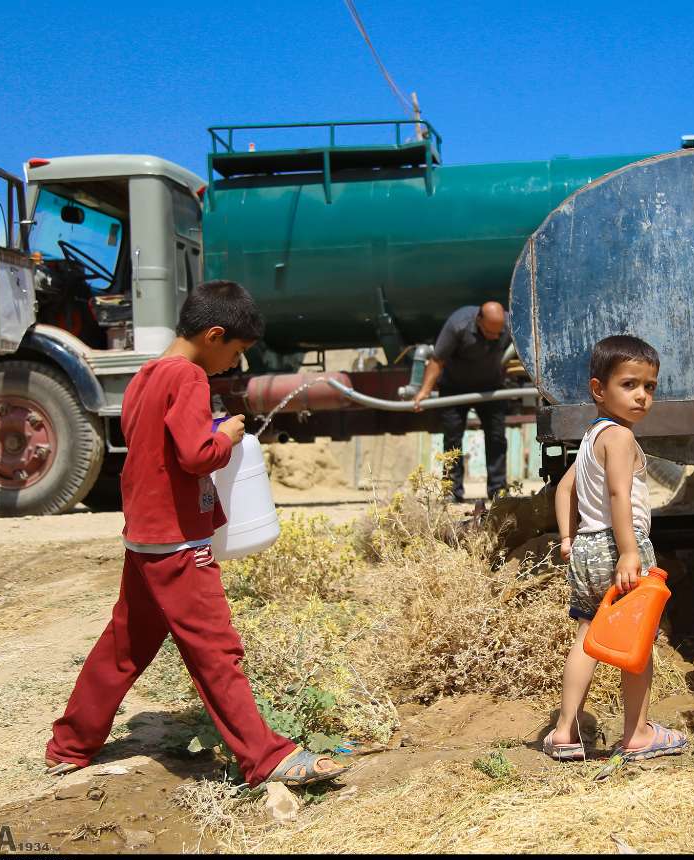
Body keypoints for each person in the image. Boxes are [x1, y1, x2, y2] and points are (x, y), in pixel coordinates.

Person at [45, 280, 347, 788]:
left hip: (144, 536)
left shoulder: (145, 376)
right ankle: (266, 757)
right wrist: (224, 436)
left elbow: (148, 446)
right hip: (179, 545)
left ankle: (69, 745)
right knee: (216, 651)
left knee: (124, 646)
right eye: (236, 351)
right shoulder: (188, 379)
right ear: (212, 334)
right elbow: (195, 456)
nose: (234, 363)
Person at [545, 335, 688, 761]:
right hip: (619, 546)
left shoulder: (591, 437)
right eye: (630, 384)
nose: (642, 395)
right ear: (598, 390)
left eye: (650, 387)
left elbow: (565, 488)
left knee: (587, 636)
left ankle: (564, 732)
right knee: (637, 643)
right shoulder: (621, 439)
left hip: (587, 549)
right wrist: (629, 551)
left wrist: (568, 537)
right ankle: (638, 733)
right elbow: (618, 497)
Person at [413, 302, 512, 503]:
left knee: (497, 439)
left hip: (490, 388)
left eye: (498, 333)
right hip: (455, 388)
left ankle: (498, 491)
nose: (495, 337)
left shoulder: (510, 324)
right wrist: (424, 391)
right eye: (489, 332)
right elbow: (437, 360)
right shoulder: (458, 325)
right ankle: (451, 490)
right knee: (453, 440)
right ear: (479, 320)